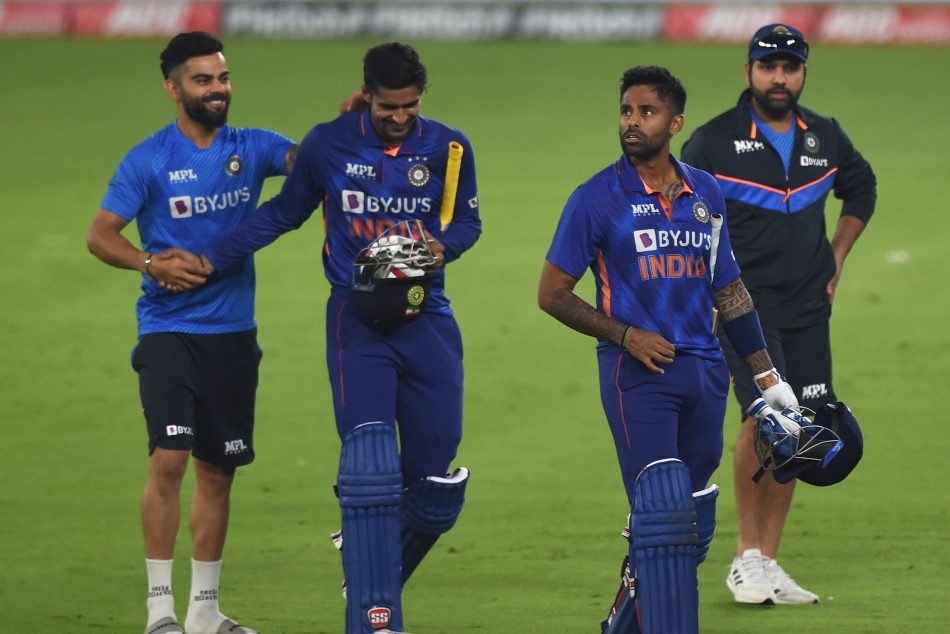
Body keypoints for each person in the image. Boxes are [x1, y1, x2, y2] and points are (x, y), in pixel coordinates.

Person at [201, 42, 481, 634]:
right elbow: (283, 213)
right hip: (356, 321)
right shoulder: (329, 144)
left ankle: (366, 549)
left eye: (409, 106)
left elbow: (467, 222)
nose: (399, 117)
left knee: (434, 479)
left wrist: (441, 248)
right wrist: (211, 258)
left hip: (427, 315)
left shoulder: (450, 148)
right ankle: (373, 596)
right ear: (367, 96)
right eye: (387, 107)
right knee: (369, 464)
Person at [538, 65, 800, 634]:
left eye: (647, 112)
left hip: (704, 373)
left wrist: (767, 377)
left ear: (675, 123)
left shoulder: (705, 191)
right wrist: (624, 335)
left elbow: (729, 290)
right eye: (626, 111)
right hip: (637, 375)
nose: (632, 123)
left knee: (691, 519)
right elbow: (552, 293)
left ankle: (621, 624)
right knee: (661, 511)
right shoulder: (596, 198)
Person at [86, 32, 296, 634]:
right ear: (173, 89)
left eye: (223, 78)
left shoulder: (252, 146)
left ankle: (204, 611)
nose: (218, 89)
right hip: (168, 328)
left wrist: (346, 130)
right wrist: (148, 262)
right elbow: (101, 234)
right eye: (203, 80)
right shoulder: (149, 159)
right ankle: (160, 610)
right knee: (170, 457)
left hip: (233, 333)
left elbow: (308, 164)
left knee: (218, 470)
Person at [681, 23, 876, 605]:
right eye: (768, 67)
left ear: (803, 73)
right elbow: (682, 220)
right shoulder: (712, 144)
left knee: (806, 422)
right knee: (766, 418)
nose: (779, 78)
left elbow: (862, 188)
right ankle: (745, 557)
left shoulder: (825, 137)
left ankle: (769, 559)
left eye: (790, 67)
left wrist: (837, 256)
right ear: (748, 72)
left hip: (809, 307)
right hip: (745, 308)